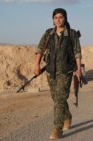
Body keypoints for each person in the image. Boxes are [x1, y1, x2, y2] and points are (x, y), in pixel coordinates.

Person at [34, 8, 82, 140]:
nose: (58, 20)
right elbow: (40, 49)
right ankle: (67, 117)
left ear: (65, 18)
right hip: (51, 72)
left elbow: (77, 52)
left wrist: (78, 69)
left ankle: (57, 128)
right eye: (55, 17)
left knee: (60, 99)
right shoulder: (48, 33)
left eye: (60, 17)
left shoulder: (71, 34)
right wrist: (36, 64)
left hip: (65, 72)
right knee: (57, 99)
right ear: (53, 20)